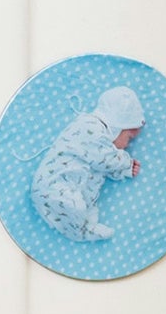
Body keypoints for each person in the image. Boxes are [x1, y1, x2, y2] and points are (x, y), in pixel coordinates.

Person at [30, 87, 145, 241]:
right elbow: (106, 159)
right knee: (74, 205)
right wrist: (125, 162)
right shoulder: (90, 127)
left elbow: (101, 165)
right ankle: (80, 233)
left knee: (85, 205)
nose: (126, 146)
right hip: (53, 185)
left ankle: (86, 224)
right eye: (129, 138)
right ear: (117, 127)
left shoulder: (101, 147)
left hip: (71, 187)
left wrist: (122, 171)